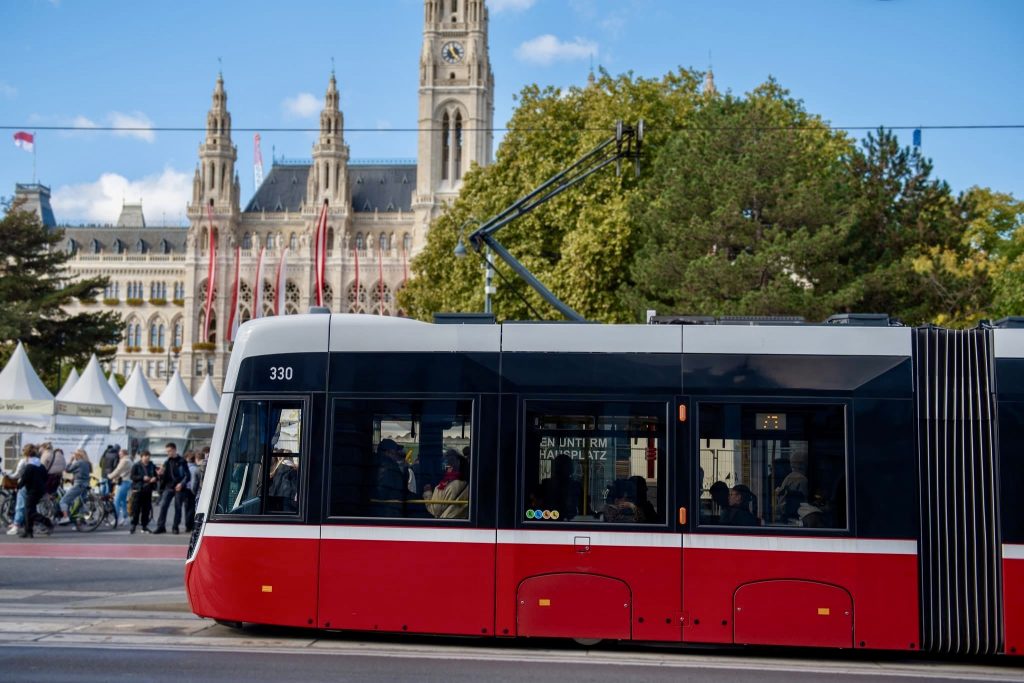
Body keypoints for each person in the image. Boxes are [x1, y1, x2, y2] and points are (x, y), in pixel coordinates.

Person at [154, 443, 190, 534]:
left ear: (174, 450)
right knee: (163, 506)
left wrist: (181, 484)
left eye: (169, 451)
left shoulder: (182, 461)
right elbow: (164, 477)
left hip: (179, 488)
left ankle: (175, 527)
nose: (168, 453)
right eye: (167, 451)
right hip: (168, 487)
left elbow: (187, 475)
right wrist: (160, 474)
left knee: (178, 508)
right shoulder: (167, 462)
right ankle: (161, 526)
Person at [422, 450, 468, 519]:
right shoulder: (467, 484)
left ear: (449, 466)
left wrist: (427, 493)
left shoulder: (444, 485)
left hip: (447, 523)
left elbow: (435, 511)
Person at [539, 453, 583, 521]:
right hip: (552, 519)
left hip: (562, 520)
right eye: (562, 466)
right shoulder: (576, 485)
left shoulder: (546, 483)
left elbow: (583, 508)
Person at [17, 446, 48, 539]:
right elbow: (46, 477)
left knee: (29, 511)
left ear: (27, 456)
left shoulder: (29, 466)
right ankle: (28, 531)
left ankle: (46, 521)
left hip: (32, 491)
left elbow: (24, 479)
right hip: (40, 490)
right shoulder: (40, 465)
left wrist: (18, 486)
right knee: (29, 510)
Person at [371, 438, 408, 517]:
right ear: (387, 452)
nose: (397, 455)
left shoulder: (378, 466)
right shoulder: (389, 468)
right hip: (389, 513)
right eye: (395, 452)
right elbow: (384, 493)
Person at [59, 449, 92, 524]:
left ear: (78, 455)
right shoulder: (87, 463)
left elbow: (67, 470)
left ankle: (65, 517)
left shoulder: (79, 463)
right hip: (85, 484)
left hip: (79, 484)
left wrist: (71, 461)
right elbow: (81, 472)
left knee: (63, 501)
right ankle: (83, 521)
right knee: (80, 503)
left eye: (74, 454)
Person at [6, 445, 33, 536]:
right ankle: (26, 524)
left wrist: (8, 475)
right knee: (30, 506)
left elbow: (17, 474)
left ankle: (16, 526)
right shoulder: (36, 461)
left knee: (20, 506)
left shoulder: (23, 461)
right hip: (33, 485)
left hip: (23, 485)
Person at [775, 452, 809, 522]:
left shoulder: (789, 477)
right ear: (803, 464)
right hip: (795, 517)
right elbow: (805, 503)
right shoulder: (802, 480)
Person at [130, 451, 158, 533]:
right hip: (138, 489)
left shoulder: (152, 465)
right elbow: (132, 477)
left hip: (148, 489)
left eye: (148, 456)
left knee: (146, 509)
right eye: (145, 456)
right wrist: (142, 478)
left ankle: (144, 526)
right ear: (141, 457)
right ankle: (133, 525)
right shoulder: (136, 465)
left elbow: (156, 476)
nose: (147, 458)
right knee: (136, 508)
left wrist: (154, 478)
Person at [109, 449, 133, 525]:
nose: (119, 455)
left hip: (124, 482)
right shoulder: (128, 460)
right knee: (122, 501)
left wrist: (110, 476)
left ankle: (117, 519)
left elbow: (118, 470)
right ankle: (125, 518)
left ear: (124, 454)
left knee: (117, 500)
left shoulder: (124, 461)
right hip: (127, 482)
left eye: (120, 454)